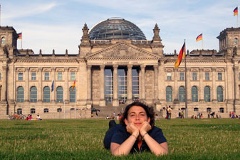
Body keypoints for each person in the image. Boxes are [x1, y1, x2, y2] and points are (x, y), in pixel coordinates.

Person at [103, 101, 168, 156]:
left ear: (148, 120)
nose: (137, 118)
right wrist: (134, 134)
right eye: (132, 115)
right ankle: (112, 124)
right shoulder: (120, 131)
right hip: (114, 130)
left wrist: (144, 133)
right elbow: (117, 155)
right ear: (126, 121)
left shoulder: (155, 131)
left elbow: (163, 154)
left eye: (142, 114)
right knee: (114, 127)